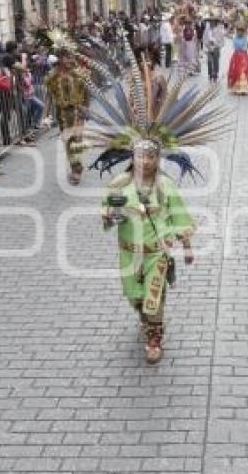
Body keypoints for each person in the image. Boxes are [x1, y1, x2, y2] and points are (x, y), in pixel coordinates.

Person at [88, 34, 229, 364]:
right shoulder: (119, 183)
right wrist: (109, 217)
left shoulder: (165, 186)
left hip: (157, 253)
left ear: (158, 157)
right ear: (133, 156)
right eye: (140, 156)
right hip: (128, 253)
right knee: (135, 298)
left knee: (154, 299)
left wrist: (188, 247)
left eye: (151, 156)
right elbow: (106, 214)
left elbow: (178, 215)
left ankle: (154, 338)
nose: (145, 161)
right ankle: (146, 321)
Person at [45, 48, 90, 185]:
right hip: (63, 113)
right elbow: (49, 96)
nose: (70, 60)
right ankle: (74, 166)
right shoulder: (52, 76)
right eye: (66, 57)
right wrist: (45, 115)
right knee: (68, 141)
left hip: (77, 111)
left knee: (77, 140)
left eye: (70, 56)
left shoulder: (79, 74)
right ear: (59, 58)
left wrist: (86, 108)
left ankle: (77, 170)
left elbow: (87, 92)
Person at [227, 22, 248, 95]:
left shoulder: (245, 39)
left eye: (241, 31)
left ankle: (243, 88)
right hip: (236, 57)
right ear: (237, 31)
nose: (240, 32)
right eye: (238, 31)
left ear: (243, 32)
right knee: (235, 72)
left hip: (244, 58)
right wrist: (229, 27)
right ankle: (236, 88)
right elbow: (226, 35)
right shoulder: (234, 38)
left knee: (243, 72)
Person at [203, 17, 226, 84]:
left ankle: (215, 74)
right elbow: (204, 38)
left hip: (216, 48)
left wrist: (217, 44)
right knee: (209, 61)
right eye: (210, 21)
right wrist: (207, 45)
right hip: (209, 48)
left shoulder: (219, 30)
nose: (211, 23)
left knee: (216, 62)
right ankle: (210, 74)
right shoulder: (207, 30)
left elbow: (222, 40)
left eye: (213, 21)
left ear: (215, 22)